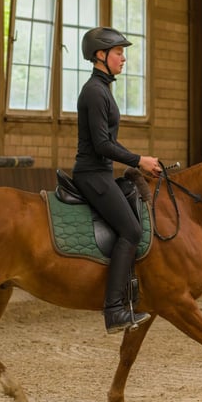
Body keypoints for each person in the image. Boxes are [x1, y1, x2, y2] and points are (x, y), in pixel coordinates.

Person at [72, 26, 162, 335]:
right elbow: (102, 145)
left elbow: (110, 144)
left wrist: (140, 162)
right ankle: (114, 310)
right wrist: (139, 160)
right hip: (91, 175)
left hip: (102, 172)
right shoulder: (95, 92)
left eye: (123, 53)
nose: (124, 59)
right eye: (119, 52)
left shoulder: (103, 88)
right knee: (131, 230)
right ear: (101, 55)